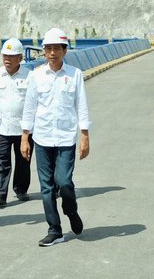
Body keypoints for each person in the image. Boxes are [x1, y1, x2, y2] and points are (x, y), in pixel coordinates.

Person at [20, 28, 90, 247]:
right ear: (44, 52)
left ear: (64, 51)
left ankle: (71, 211)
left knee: (64, 182)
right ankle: (54, 229)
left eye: (56, 49)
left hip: (66, 138)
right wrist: (25, 137)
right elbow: (29, 107)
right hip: (42, 138)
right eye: (48, 49)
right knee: (47, 187)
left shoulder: (74, 74)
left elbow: (82, 105)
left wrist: (85, 135)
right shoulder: (36, 75)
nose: (52, 53)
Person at [0, 38, 33, 206]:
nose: (7, 59)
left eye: (12, 56)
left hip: (24, 129)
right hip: (2, 127)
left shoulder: (30, 76)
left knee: (23, 160)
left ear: (20, 58)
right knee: (1, 159)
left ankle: (21, 188)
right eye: (5, 56)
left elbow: (34, 102)